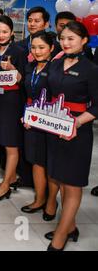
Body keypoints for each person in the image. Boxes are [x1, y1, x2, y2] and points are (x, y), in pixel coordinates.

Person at [44, 21, 98, 251]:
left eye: (71, 39)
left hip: (77, 133)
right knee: (60, 180)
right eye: (62, 38)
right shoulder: (55, 65)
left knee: (73, 184)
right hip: (55, 129)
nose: (65, 43)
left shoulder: (91, 69)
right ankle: (71, 226)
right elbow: (48, 95)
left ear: (84, 40)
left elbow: (97, 106)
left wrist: (75, 123)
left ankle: (60, 236)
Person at [0, 15, 26, 201]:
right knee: (2, 140)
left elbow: (23, 79)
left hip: (12, 103)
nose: (1, 35)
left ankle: (5, 186)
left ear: (12, 32)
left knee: (11, 144)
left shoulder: (18, 51)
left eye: (5, 31)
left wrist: (12, 69)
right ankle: (11, 177)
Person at [20, 31, 58, 221]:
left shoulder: (56, 69)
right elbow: (27, 95)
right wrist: (25, 115)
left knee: (50, 164)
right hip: (31, 121)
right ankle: (39, 198)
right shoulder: (30, 67)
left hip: (51, 123)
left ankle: (51, 201)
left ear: (51, 48)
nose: (37, 51)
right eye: (33, 47)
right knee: (36, 161)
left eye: (41, 47)